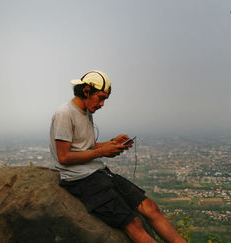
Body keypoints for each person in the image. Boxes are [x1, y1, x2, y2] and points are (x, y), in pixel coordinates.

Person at [49, 70, 186, 243]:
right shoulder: (64, 114)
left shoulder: (86, 112)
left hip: (98, 172)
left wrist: (111, 143)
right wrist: (102, 152)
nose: (103, 103)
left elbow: (85, 146)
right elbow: (64, 157)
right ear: (86, 91)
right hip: (80, 179)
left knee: (151, 208)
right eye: (101, 97)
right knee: (134, 223)